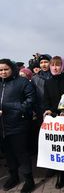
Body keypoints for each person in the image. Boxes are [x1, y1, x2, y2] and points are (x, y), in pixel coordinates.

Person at [0, 59, 36, 193]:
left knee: (22, 154)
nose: (3, 72)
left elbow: (30, 100)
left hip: (18, 124)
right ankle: (13, 176)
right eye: (0, 70)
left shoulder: (22, 82)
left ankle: (29, 180)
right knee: (8, 154)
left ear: (12, 69)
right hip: (1, 126)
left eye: (5, 69)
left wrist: (10, 108)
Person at [43, 56, 64, 189]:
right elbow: (46, 100)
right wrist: (48, 111)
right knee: (58, 149)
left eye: (57, 65)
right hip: (55, 119)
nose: (55, 68)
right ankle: (60, 175)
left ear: (63, 66)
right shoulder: (48, 82)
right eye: (52, 65)